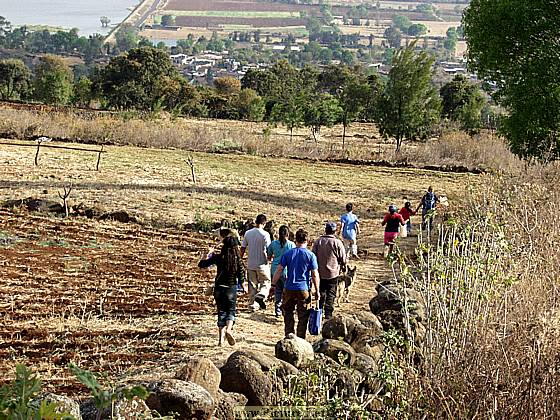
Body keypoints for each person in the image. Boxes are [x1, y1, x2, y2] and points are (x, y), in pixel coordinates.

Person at [271, 229, 320, 339]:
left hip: (289, 287)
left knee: (288, 313)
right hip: (304, 288)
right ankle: (301, 338)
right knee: (303, 315)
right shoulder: (310, 255)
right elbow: (315, 274)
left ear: (295, 240)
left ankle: (289, 335)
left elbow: (279, 269)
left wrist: (273, 284)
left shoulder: (288, 254)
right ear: (307, 240)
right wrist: (317, 290)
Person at [198, 236, 246, 346]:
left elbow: (202, 264)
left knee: (221, 312)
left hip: (219, 288)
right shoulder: (237, 260)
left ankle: (221, 340)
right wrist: (244, 287)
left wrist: (208, 254)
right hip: (231, 288)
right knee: (231, 311)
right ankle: (229, 329)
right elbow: (241, 275)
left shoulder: (219, 257)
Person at [312, 221, 347, 320]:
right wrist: (344, 266)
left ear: (325, 230)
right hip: (333, 273)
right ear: (335, 231)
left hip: (319, 272)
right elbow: (343, 258)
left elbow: (313, 256)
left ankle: (319, 309)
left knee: (321, 291)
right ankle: (328, 313)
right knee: (331, 293)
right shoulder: (337, 243)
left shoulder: (318, 241)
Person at [241, 214, 272, 311]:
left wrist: (240, 258)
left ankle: (252, 305)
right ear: (264, 223)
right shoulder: (265, 234)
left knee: (252, 285)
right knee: (266, 282)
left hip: (251, 263)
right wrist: (270, 258)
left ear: (255, 222)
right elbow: (269, 249)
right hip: (262, 263)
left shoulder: (248, 233)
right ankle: (261, 294)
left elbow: (242, 248)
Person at [267, 225, 295, 317]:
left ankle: (277, 310)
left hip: (275, 270)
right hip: (286, 271)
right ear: (288, 234)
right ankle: (285, 309)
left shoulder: (274, 244)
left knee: (277, 291)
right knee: (286, 292)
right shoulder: (291, 245)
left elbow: (269, 255)